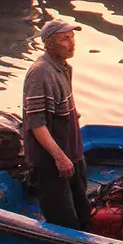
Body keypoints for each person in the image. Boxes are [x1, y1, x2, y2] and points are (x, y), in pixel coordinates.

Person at [24, 16, 89, 231]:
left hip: (73, 152)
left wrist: (74, 113)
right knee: (64, 223)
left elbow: (65, 101)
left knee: (84, 212)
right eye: (64, 39)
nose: (71, 43)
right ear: (50, 44)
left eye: (72, 38)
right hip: (52, 162)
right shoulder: (41, 73)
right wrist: (60, 158)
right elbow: (37, 124)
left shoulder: (64, 67)